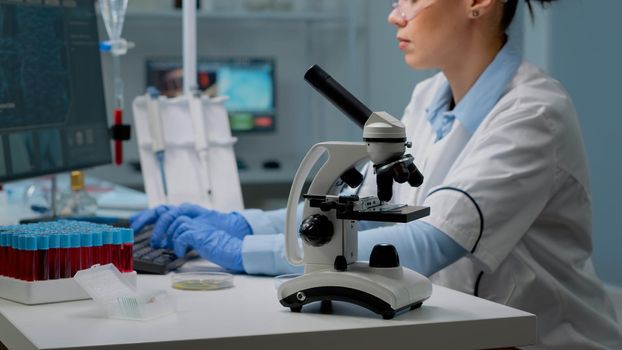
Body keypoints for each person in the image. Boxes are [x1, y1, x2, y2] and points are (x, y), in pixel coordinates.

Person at [131, 0, 622, 348]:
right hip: (447, 325)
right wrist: (236, 222)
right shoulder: (429, 96)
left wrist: (243, 253)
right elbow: (359, 211)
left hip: (539, 339)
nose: (395, 14)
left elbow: (431, 243)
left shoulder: (533, 113)